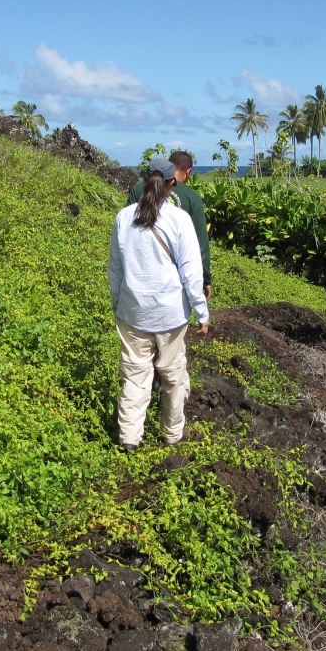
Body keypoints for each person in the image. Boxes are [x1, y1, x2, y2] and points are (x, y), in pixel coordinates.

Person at [108, 157, 210, 450]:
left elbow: (115, 269)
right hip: (170, 315)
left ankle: (128, 440)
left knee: (135, 377)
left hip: (132, 312)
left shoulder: (123, 217)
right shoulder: (179, 220)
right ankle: (173, 435)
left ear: (144, 181)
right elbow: (192, 274)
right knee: (173, 376)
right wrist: (202, 314)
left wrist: (118, 304)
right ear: (172, 184)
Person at [127, 151, 212, 299]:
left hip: (138, 273)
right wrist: (205, 279)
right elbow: (200, 244)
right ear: (188, 172)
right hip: (172, 282)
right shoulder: (192, 197)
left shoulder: (138, 188)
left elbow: (127, 229)